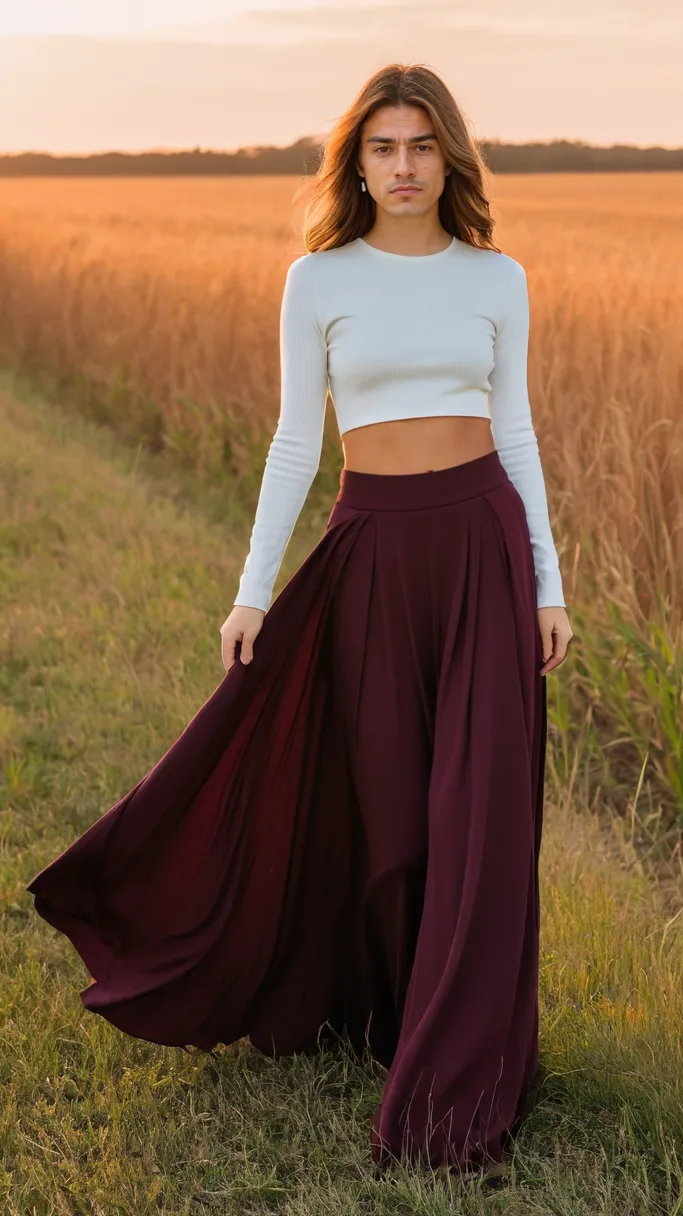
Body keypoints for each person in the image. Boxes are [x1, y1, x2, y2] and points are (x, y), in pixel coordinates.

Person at [26, 62, 574, 1180]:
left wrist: (544, 583)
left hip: (478, 551)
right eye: (384, 147)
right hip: (372, 555)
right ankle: (386, 1010)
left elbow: (515, 434)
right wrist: (251, 589)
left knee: (479, 823)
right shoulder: (317, 281)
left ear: (450, 156)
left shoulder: (498, 278)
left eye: (423, 145)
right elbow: (293, 443)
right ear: (357, 162)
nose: (406, 165)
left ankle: (459, 1077)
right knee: (391, 824)